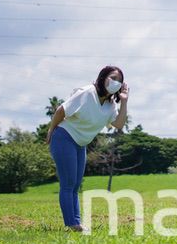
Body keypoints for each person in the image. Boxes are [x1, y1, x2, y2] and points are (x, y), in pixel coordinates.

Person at [45, 66, 129, 231]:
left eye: (119, 80)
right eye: (113, 77)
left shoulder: (110, 105)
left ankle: (75, 222)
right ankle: (72, 224)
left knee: (76, 184)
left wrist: (124, 101)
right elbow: (61, 110)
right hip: (64, 137)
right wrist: (51, 130)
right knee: (68, 183)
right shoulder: (86, 92)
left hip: (80, 143)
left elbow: (118, 124)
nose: (116, 82)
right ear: (103, 77)